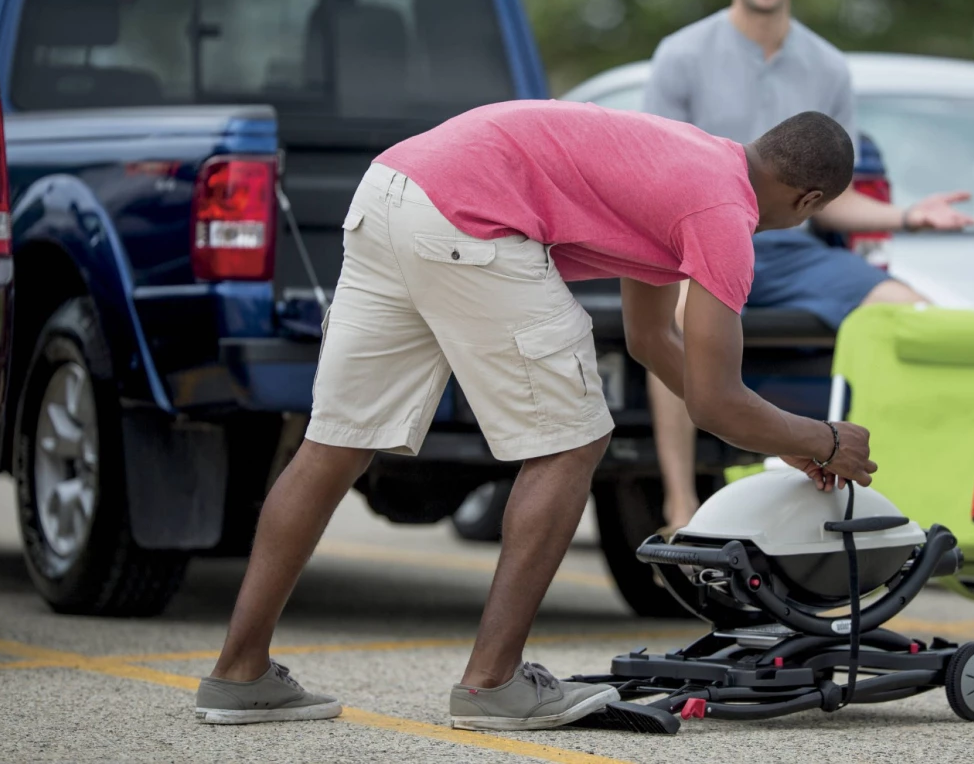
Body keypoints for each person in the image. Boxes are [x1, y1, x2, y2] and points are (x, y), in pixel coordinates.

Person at [194, 100, 876, 732]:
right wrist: (825, 437)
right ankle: (494, 684)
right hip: (469, 215)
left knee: (334, 442)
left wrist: (786, 443)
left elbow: (650, 343)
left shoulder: (690, 161)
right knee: (572, 441)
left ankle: (239, 674)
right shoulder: (725, 216)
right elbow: (716, 401)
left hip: (392, 186)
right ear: (809, 200)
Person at [641, 0, 974, 530]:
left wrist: (908, 217)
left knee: (913, 317)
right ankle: (680, 504)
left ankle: (883, 499)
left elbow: (830, 202)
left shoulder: (827, 64)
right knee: (673, 325)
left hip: (793, 251)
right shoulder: (682, 54)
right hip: (702, 243)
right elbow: (659, 179)